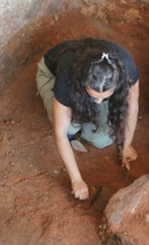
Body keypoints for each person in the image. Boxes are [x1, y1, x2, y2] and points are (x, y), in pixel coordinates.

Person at [36, 38, 140, 200]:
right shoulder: (67, 76)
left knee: (102, 140)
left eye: (104, 97)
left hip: (87, 89)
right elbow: (60, 133)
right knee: (69, 128)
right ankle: (78, 122)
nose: (98, 102)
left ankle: (85, 114)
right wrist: (76, 180)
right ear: (84, 85)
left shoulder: (126, 69)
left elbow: (132, 107)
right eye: (94, 96)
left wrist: (126, 145)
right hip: (53, 75)